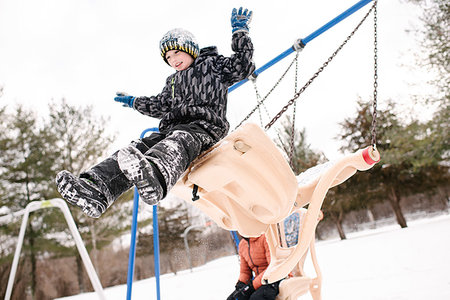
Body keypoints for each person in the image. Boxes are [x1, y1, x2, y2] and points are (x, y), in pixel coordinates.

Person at [55, 7, 255, 218]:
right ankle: (97, 189)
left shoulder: (213, 65)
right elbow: (159, 105)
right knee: (137, 148)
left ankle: (156, 177)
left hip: (203, 128)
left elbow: (242, 66)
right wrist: (134, 102)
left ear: (190, 48)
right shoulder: (173, 81)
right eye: (168, 57)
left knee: (179, 139)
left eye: (176, 52)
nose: (173, 59)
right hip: (172, 129)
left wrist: (240, 32)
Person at [227, 234, 281, 300]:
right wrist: (241, 284)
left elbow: (273, 267)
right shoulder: (242, 245)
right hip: (258, 282)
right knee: (233, 298)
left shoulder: (265, 238)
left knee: (256, 298)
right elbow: (245, 272)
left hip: (274, 278)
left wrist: (252, 286)